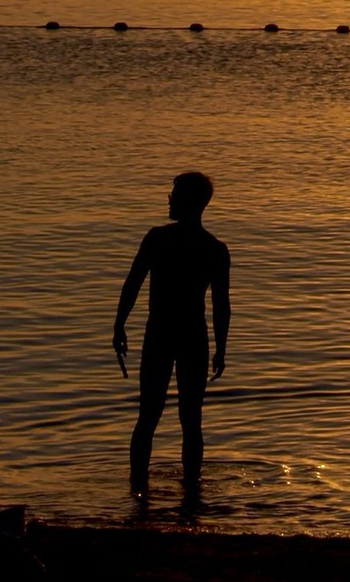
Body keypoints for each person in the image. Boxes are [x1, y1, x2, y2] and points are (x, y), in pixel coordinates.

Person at [114, 171, 231, 495]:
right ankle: (176, 492)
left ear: (190, 201)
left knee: (160, 416)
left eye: (175, 193)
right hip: (187, 336)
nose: (170, 198)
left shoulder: (160, 239)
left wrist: (119, 324)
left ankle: (146, 490)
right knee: (183, 418)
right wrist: (119, 323)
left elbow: (222, 304)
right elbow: (134, 282)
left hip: (167, 335)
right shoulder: (213, 248)